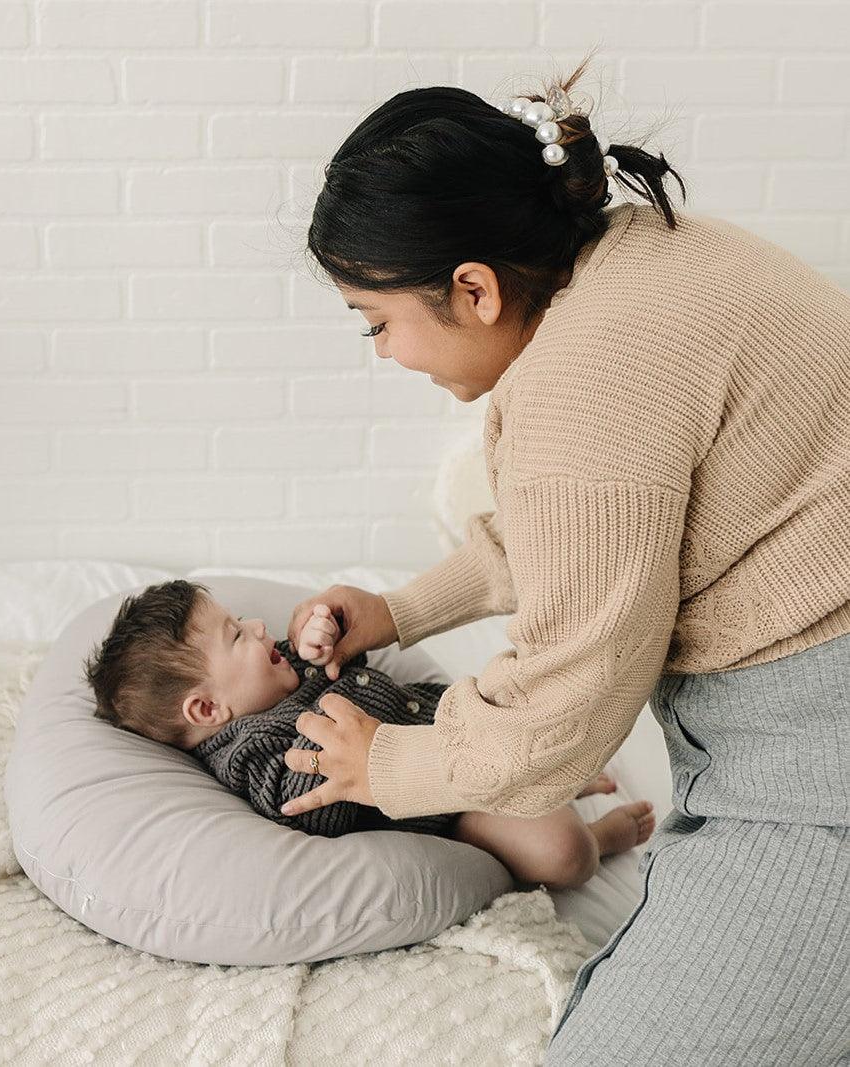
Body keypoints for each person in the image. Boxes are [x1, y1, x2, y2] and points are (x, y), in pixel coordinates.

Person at [273, 52, 850, 1065]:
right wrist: (399, 611)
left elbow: (562, 722)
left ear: (472, 288)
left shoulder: (588, 380)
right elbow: (590, 535)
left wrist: (390, 762)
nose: (383, 353)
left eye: (377, 323)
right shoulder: (642, 259)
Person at [81, 578, 654, 892]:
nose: (259, 627)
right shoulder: (248, 752)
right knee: (564, 853)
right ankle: (601, 838)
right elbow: (306, 808)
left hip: (456, 730)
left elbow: (336, 670)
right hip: (439, 805)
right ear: (207, 708)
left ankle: (557, 780)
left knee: (537, 723)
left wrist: (316, 649)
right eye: (237, 636)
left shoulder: (277, 680)